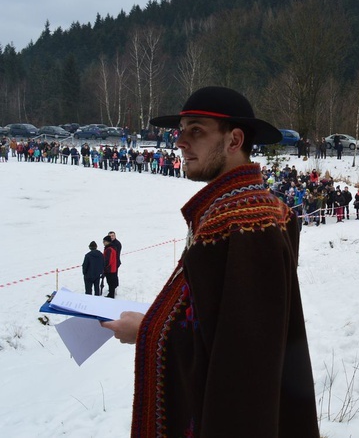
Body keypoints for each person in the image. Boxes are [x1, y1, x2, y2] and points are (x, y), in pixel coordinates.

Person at [101, 86, 318, 437]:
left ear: (234, 140)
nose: (181, 142)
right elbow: (219, 320)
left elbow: (244, 357)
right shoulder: (244, 209)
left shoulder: (246, 222)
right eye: (181, 131)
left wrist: (147, 331)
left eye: (196, 131)